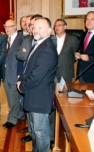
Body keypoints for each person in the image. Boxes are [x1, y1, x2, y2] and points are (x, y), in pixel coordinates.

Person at [17, 17, 58, 152]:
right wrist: (21, 79)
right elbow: (28, 67)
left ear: (49, 30)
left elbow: (36, 75)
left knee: (40, 131)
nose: (35, 30)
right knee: (34, 129)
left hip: (39, 96)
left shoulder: (46, 48)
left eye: (40, 28)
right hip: (34, 94)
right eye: (34, 27)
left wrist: (22, 86)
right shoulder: (38, 44)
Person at [16, 14, 42, 143]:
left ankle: (39, 135)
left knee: (37, 110)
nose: (31, 27)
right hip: (26, 78)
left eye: (33, 25)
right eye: (30, 25)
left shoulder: (48, 40)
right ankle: (31, 131)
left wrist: (29, 54)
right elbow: (19, 53)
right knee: (28, 106)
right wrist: (29, 54)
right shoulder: (27, 39)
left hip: (39, 80)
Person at [2, 20, 25, 129]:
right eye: (5, 26)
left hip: (15, 73)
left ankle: (12, 119)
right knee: (10, 97)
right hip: (5, 73)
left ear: (15, 27)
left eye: (10, 26)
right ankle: (20, 114)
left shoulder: (22, 39)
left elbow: (22, 58)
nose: (7, 28)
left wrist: (20, 74)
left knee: (14, 97)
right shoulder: (5, 39)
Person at [53, 19, 79, 83]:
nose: (57, 27)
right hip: (52, 72)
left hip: (66, 72)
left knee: (66, 92)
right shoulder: (51, 39)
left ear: (65, 27)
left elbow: (76, 55)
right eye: (55, 26)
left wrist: (67, 62)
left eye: (59, 25)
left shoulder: (72, 39)